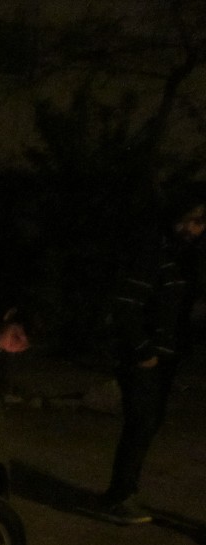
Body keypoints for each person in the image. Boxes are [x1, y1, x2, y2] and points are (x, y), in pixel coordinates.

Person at [96, 195, 205, 525]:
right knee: (141, 422)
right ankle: (119, 497)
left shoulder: (183, 258)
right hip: (144, 356)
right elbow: (127, 304)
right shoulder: (153, 253)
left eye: (200, 223)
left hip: (165, 356)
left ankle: (122, 492)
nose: (194, 229)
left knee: (148, 423)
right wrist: (143, 351)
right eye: (191, 220)